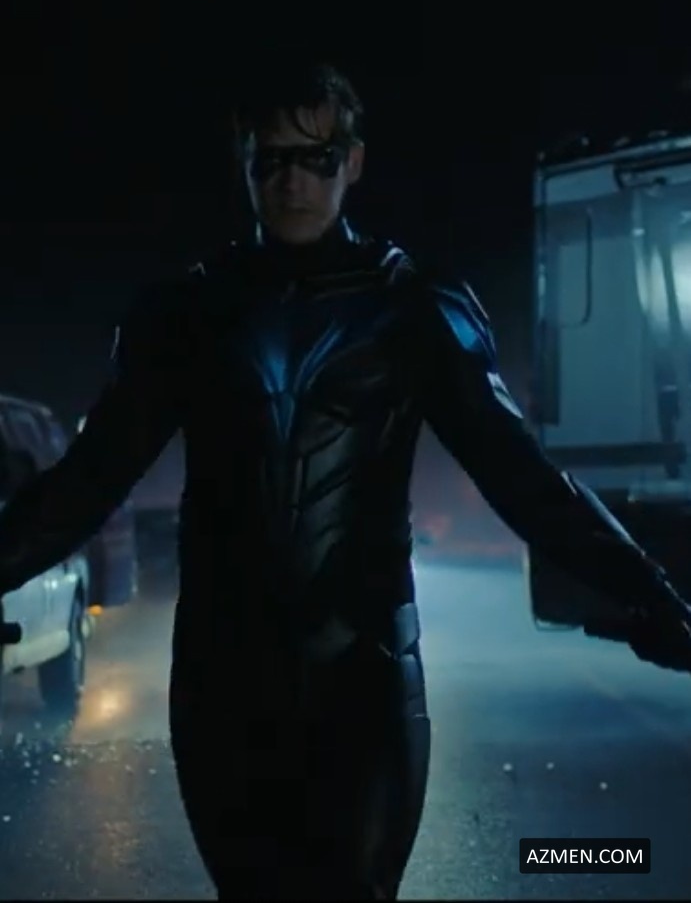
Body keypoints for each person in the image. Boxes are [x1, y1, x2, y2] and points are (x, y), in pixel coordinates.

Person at [0, 59, 690, 901]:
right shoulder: (185, 316)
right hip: (225, 684)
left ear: (352, 161)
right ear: (243, 164)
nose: (292, 179)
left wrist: (650, 594)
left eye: (315, 156)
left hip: (364, 680)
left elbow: (519, 475)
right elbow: (85, 483)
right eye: (271, 158)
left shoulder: (412, 306)